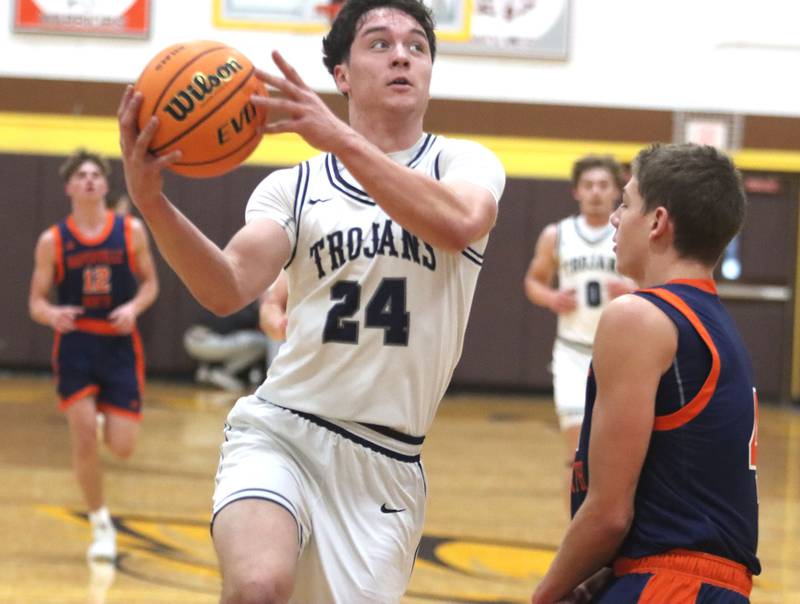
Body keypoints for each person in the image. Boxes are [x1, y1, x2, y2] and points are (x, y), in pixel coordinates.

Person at [117, 0, 505, 601]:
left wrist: (340, 138)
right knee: (258, 586)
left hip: (386, 462)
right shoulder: (294, 186)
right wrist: (152, 202)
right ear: (341, 75)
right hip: (284, 431)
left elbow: (458, 222)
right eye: (379, 43)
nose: (402, 54)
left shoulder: (463, 163)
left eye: (417, 46)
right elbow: (226, 286)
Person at [531, 143, 760, 603]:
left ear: (657, 222)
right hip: (703, 584)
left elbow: (609, 513)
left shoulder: (638, 316)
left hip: (671, 585)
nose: (615, 217)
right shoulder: (715, 323)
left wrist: (545, 595)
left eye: (626, 203)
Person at [28, 149, 159, 561]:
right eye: (81, 175)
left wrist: (133, 308)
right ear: (69, 187)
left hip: (119, 344)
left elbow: (151, 285)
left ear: (105, 185)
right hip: (78, 343)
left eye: (96, 175)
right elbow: (35, 302)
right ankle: (100, 522)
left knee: (122, 447)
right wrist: (52, 313)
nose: (89, 180)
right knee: (82, 435)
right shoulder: (53, 241)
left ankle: (104, 416)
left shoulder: (131, 231)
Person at [523, 155, 634, 498]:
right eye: (589, 185)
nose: (596, 192)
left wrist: (635, 290)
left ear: (617, 191)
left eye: (603, 185)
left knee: (619, 457)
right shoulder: (557, 234)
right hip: (572, 355)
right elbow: (533, 282)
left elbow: (660, 286)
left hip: (619, 355)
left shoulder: (631, 233)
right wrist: (551, 297)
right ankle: (580, 530)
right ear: (576, 192)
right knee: (578, 457)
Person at [183, 302, 270, 392]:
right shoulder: (245, 305)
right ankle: (220, 371)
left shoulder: (231, 299)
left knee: (250, 340)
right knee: (260, 341)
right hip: (203, 339)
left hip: (193, 338)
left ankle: (209, 370)